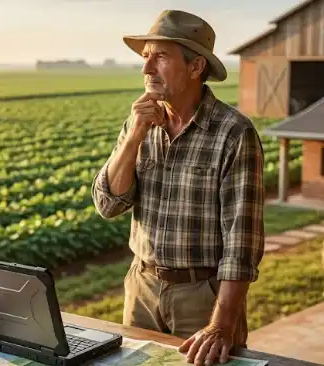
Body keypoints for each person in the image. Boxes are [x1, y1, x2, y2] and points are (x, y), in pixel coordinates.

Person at [91, 9, 265, 366]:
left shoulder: (234, 133)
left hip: (201, 296)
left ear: (196, 66)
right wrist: (133, 138)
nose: (146, 69)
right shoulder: (139, 123)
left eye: (161, 57)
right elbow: (107, 204)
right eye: (145, 57)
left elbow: (241, 243)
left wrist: (221, 324)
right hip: (141, 287)